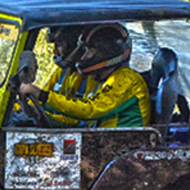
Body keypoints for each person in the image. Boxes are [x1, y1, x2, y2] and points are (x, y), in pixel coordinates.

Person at [20, 24, 150, 128]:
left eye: (89, 51)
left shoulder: (127, 80)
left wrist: (41, 95)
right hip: (102, 145)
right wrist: (38, 113)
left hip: (121, 150)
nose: (83, 57)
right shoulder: (102, 80)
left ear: (105, 53)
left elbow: (89, 110)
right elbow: (76, 120)